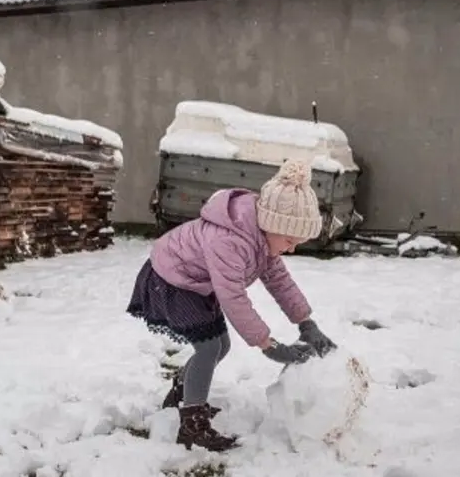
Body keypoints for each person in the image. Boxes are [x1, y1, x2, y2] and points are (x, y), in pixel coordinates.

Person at [127, 159, 337, 452]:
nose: (292, 248)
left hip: (194, 282)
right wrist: (269, 345)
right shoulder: (230, 241)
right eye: (290, 240)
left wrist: (307, 324)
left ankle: (182, 392)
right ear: (272, 225)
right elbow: (233, 297)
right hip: (172, 280)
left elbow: (280, 282)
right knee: (210, 347)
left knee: (220, 347)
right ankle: (193, 425)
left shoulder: (262, 238)